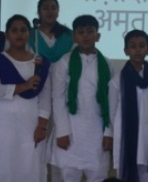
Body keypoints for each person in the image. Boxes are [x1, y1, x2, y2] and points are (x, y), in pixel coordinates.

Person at [0, 14, 51, 181]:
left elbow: (46, 97)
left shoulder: (40, 62)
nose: (19, 34)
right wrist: (24, 86)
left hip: (30, 124)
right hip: (2, 124)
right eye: (14, 30)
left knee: (29, 167)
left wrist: (42, 127)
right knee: (2, 165)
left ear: (29, 34)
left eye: (23, 30)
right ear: (7, 34)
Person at [52, 14, 114, 182]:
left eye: (90, 31)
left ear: (98, 36)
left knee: (98, 175)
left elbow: (111, 102)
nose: (85, 36)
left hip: (97, 132)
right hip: (71, 131)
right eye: (81, 32)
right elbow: (57, 98)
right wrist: (62, 131)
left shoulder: (107, 64)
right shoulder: (64, 62)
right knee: (69, 176)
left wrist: (109, 133)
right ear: (74, 37)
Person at [108, 30, 148, 182]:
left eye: (142, 46)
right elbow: (111, 110)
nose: (138, 50)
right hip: (126, 140)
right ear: (126, 50)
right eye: (133, 46)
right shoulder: (117, 80)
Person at [29, 0, 74, 182]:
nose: (50, 11)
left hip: (64, 93)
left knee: (61, 138)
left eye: (53, 7)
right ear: (38, 11)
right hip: (37, 91)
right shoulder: (30, 35)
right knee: (38, 136)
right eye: (45, 8)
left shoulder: (68, 35)